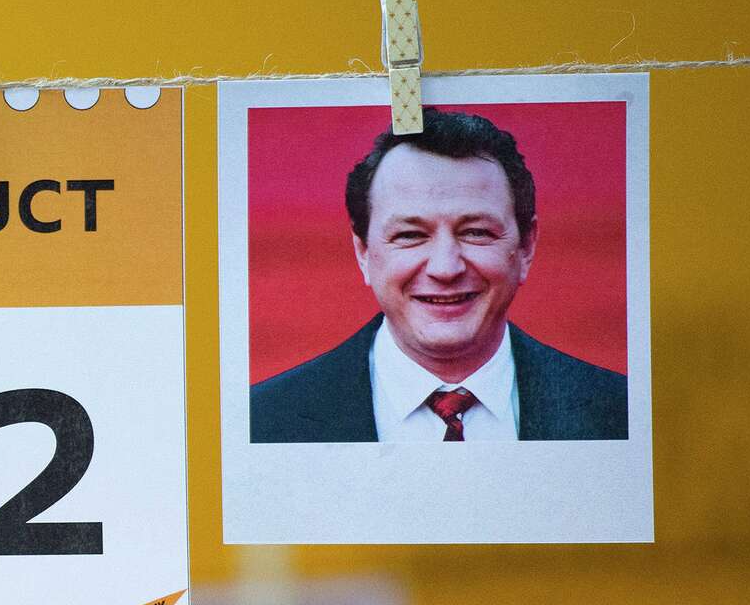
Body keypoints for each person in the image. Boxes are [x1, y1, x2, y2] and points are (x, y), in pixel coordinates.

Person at [250, 109, 627, 443]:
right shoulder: (264, 420)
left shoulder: (621, 411)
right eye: (410, 235)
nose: (446, 268)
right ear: (363, 252)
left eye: (476, 232)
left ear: (526, 246)